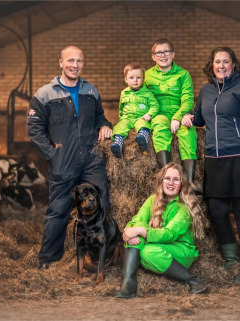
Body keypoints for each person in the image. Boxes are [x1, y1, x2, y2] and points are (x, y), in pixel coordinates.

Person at [182, 47, 240, 283]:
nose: (221, 66)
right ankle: (231, 258)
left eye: (225, 62)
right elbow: (200, 117)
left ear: (234, 65)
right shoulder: (207, 90)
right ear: (212, 65)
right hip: (214, 159)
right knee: (217, 212)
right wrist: (190, 117)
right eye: (217, 62)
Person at [27, 46, 112, 269]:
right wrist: (52, 154)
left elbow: (100, 117)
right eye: (70, 60)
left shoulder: (91, 91)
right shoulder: (45, 94)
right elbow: (34, 129)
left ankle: (98, 258)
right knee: (59, 209)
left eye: (79, 61)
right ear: (61, 63)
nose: (75, 65)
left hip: (92, 160)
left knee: (101, 203)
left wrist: (104, 125)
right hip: (63, 161)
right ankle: (49, 259)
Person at [114, 162, 207, 298]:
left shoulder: (185, 207)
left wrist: (141, 231)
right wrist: (130, 231)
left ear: (182, 183)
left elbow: (169, 234)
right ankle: (128, 285)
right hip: (157, 245)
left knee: (147, 250)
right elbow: (136, 220)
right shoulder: (152, 199)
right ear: (161, 181)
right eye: (167, 178)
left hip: (180, 250)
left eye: (176, 179)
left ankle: (192, 279)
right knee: (139, 230)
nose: (171, 183)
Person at [145, 38, 201, 192]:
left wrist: (178, 117)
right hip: (158, 113)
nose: (163, 55)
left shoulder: (183, 74)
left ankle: (189, 182)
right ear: (153, 56)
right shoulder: (147, 76)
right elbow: (141, 96)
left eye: (166, 51)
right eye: (159, 52)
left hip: (179, 112)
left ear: (173, 54)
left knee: (188, 133)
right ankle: (165, 178)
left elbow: (188, 100)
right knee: (160, 127)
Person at [110, 62, 159, 158]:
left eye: (138, 77)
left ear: (143, 79)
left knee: (143, 124)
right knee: (119, 127)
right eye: (131, 78)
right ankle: (118, 145)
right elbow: (121, 107)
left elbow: (155, 105)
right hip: (127, 118)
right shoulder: (124, 93)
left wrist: (149, 114)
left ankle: (142, 139)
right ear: (126, 80)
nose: (135, 80)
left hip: (140, 117)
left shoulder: (147, 93)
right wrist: (121, 119)